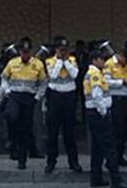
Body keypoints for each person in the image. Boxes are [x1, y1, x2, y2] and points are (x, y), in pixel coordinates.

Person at [83, 50, 127, 188]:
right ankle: (116, 180)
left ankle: (96, 178)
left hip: (94, 113)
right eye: (101, 59)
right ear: (94, 60)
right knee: (109, 147)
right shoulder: (95, 74)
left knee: (97, 148)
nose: (103, 62)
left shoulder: (94, 73)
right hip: (98, 113)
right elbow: (97, 94)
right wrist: (104, 112)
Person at [0, 37, 45, 170]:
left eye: (27, 51)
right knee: (12, 117)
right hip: (15, 95)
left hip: (29, 98)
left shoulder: (37, 64)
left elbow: (43, 82)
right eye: (23, 51)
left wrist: (37, 97)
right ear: (19, 51)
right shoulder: (12, 63)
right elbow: (4, 78)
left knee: (25, 128)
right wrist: (6, 90)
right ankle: (13, 143)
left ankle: (22, 159)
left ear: (30, 51)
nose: (25, 54)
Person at [44, 36, 82, 174]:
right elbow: (53, 76)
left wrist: (66, 62)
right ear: (56, 49)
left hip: (69, 96)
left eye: (65, 49)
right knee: (52, 132)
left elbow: (75, 74)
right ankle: (51, 162)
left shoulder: (72, 60)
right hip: (55, 97)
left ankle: (74, 162)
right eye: (61, 49)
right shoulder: (50, 61)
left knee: (69, 132)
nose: (64, 52)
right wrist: (59, 61)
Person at [103, 43, 127, 169]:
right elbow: (105, 82)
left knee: (124, 131)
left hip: (126, 100)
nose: (125, 63)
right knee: (115, 131)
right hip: (115, 99)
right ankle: (111, 159)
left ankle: (120, 156)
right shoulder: (109, 64)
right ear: (120, 56)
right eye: (125, 60)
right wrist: (121, 82)